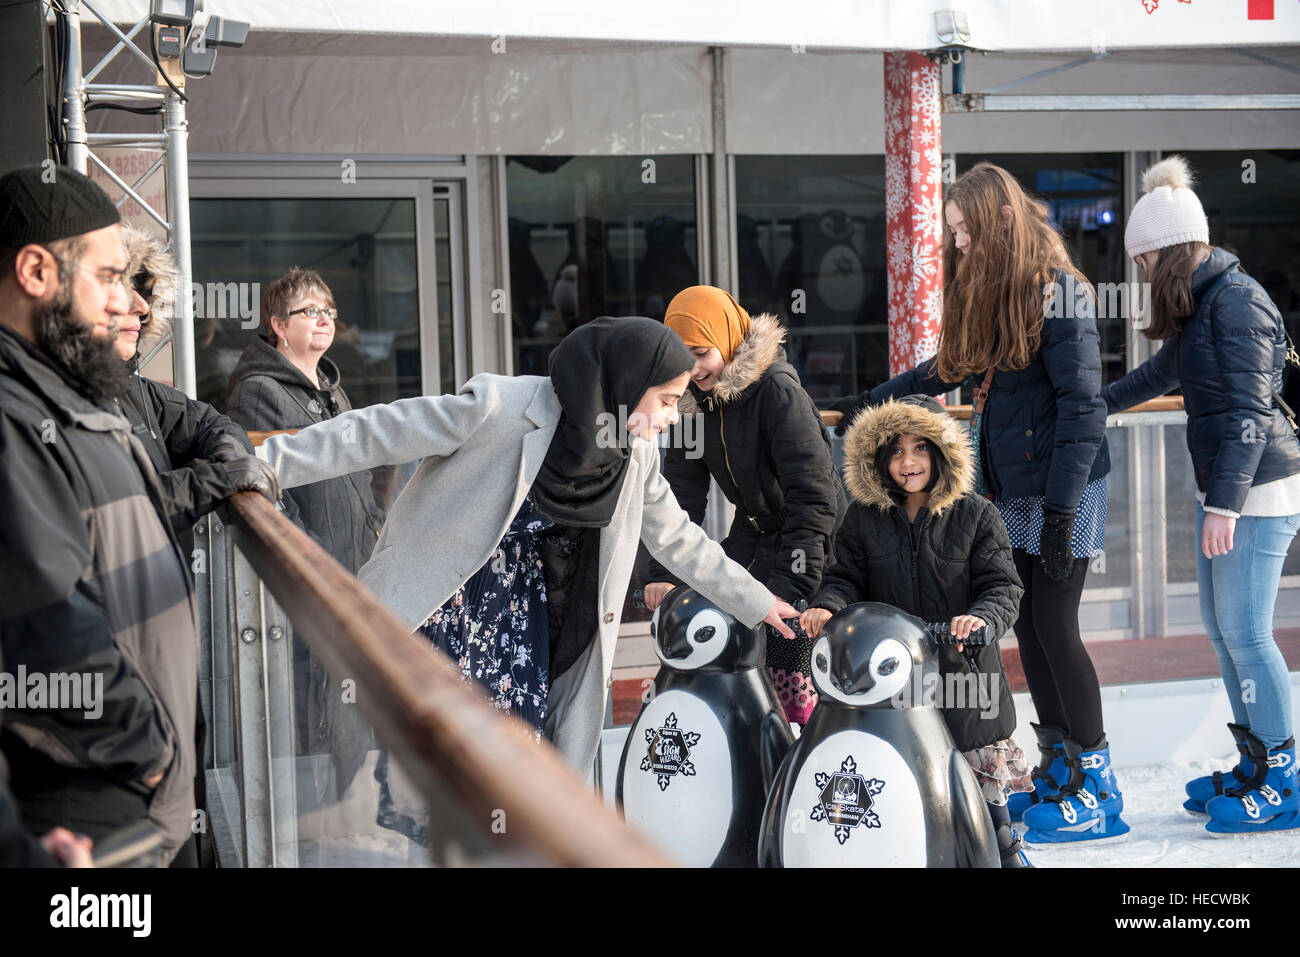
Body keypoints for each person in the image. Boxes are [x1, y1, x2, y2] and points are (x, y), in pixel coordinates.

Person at [257, 316, 800, 779]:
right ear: (625, 383)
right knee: (434, 770)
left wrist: (759, 602)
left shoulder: (631, 455)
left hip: (527, 627)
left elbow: (680, 539)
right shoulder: (503, 405)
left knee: (513, 770)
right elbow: (381, 431)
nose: (670, 417)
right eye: (664, 400)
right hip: (444, 608)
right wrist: (268, 463)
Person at [828, 162, 1125, 845]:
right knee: (1026, 627)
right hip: (1014, 485)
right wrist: (880, 395)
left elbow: (1083, 409)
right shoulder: (1000, 296)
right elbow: (947, 366)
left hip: (1065, 486)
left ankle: (1097, 779)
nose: (959, 245)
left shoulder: (1064, 296)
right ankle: (1059, 764)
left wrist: (1060, 510)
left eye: (963, 232)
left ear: (995, 225)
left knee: (1055, 621)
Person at [0, 165, 200, 866]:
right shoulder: (13, 415)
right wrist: (147, 750)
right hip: (91, 812)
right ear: (34, 271)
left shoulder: (64, 394)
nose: (131, 304)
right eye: (110, 276)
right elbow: (46, 623)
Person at [1103, 156, 1300, 835]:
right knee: (1225, 633)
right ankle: (1255, 762)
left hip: (1257, 489)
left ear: (1169, 250)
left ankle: (1282, 776)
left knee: (1247, 632)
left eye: (1145, 259)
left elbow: (1250, 409)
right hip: (1228, 486)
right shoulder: (1205, 303)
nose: (1142, 273)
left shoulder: (1239, 301)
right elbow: (1161, 371)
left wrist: (1225, 503)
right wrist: (1094, 405)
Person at [799, 395, 1032, 866]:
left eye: (920, 448)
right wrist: (828, 605)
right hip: (895, 679)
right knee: (908, 779)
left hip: (964, 676)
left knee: (980, 802)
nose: (908, 462)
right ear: (879, 458)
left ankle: (1003, 854)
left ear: (943, 452)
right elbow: (845, 577)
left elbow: (1003, 586)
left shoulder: (975, 515)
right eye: (896, 450)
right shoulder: (864, 519)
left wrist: (980, 619)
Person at [644, 285, 841, 724]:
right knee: (724, 624)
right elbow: (679, 493)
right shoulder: (691, 401)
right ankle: (741, 753)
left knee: (786, 648)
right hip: (752, 534)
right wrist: (663, 573)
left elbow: (815, 494)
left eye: (700, 352)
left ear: (728, 341)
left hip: (809, 541)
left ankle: (800, 759)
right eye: (681, 356)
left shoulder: (776, 391)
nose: (693, 368)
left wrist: (792, 583)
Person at [227, 267, 382, 801]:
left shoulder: (333, 393)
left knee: (352, 704)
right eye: (309, 311)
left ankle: (347, 814)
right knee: (314, 712)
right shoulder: (257, 393)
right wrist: (312, 564)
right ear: (277, 325)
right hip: (308, 586)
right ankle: (314, 823)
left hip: (355, 573)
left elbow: (360, 479)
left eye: (329, 311)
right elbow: (269, 498)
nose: (323, 320)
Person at [112, 224, 278, 533]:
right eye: (122, 289)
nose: (143, 307)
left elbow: (211, 423)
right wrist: (214, 480)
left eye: (144, 292)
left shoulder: (137, 391)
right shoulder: (52, 401)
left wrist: (228, 454)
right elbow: (110, 517)